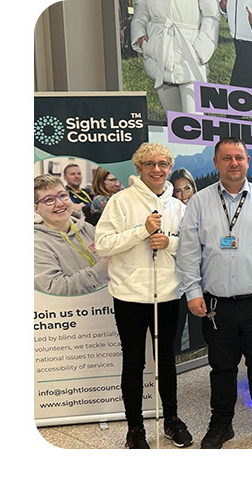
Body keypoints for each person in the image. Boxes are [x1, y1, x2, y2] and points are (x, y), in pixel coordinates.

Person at [175, 137, 252, 449]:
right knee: (222, 368)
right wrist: (192, 292)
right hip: (216, 305)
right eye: (227, 158)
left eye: (239, 158)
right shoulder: (200, 202)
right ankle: (221, 423)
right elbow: (188, 253)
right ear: (216, 163)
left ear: (247, 162)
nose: (233, 164)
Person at [94, 144, 192, 448]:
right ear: (139, 168)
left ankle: (171, 420)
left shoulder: (178, 206)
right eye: (150, 164)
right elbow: (103, 244)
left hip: (167, 294)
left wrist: (169, 242)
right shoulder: (121, 202)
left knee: (166, 361)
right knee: (134, 363)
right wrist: (141, 231)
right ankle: (135, 429)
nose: (157, 170)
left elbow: (189, 245)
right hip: (130, 295)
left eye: (163, 164)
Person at [129, 0, 220, 114]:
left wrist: (200, 50)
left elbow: (211, 15)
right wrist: (140, 36)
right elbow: (141, 7)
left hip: (190, 55)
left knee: (194, 123)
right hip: (159, 52)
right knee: (174, 123)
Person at [35, 175, 109, 295]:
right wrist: (101, 270)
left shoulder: (87, 228)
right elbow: (54, 289)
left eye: (63, 195)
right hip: (73, 311)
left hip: (106, 306)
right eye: (49, 200)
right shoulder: (37, 244)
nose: (59, 203)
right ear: (35, 208)